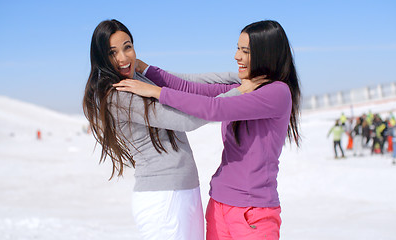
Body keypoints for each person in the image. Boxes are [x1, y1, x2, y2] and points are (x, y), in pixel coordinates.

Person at [115, 20, 301, 240]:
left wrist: (157, 93)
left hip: (252, 213)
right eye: (237, 48)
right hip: (219, 206)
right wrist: (146, 70)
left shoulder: (276, 93)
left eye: (245, 51)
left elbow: (215, 109)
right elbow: (192, 87)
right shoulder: (244, 87)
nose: (236, 56)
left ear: (265, 54)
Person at [82, 19, 242, 240]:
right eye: (112, 53)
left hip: (183, 192)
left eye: (127, 47)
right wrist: (241, 94)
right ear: (101, 57)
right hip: (163, 198)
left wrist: (244, 79)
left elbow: (194, 85)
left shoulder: (140, 80)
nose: (122, 58)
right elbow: (188, 119)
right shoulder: (118, 96)